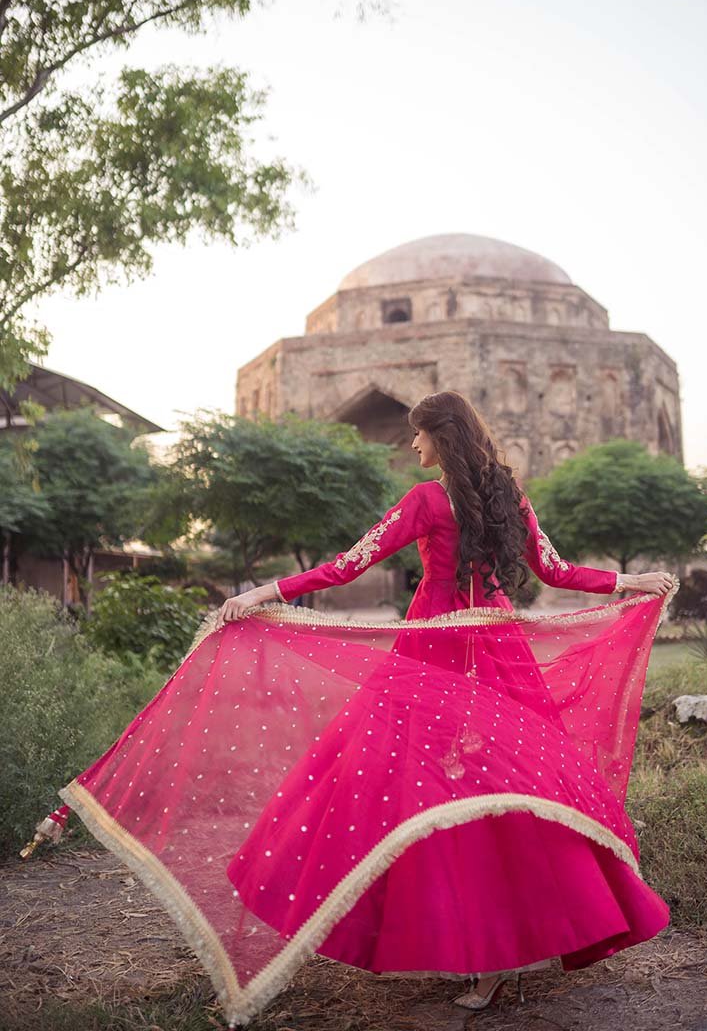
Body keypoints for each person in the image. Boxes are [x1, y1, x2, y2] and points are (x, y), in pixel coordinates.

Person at [213, 390, 673, 1011]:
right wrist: (629, 580)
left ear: (441, 436)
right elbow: (555, 570)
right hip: (496, 645)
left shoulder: (427, 500)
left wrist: (262, 592)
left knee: (424, 786)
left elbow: (350, 564)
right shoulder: (508, 494)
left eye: (419, 434)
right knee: (505, 788)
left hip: (436, 652)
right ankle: (488, 947)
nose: (412, 445)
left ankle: (487, 954)